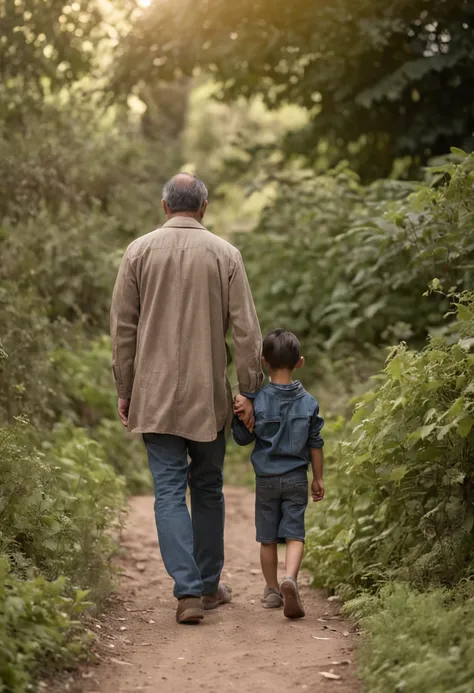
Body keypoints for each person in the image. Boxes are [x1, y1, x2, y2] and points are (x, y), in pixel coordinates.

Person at [110, 173, 263, 624]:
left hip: (153, 394)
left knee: (169, 492)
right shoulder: (225, 254)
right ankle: (210, 587)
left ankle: (188, 593)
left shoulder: (138, 252)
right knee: (209, 487)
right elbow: (247, 331)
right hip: (207, 396)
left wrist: (125, 388)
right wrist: (249, 391)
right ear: (204, 207)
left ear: (164, 207)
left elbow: (123, 329)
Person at [232, 329, 324, 619]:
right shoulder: (309, 403)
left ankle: (272, 590)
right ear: (300, 362)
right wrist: (318, 478)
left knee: (268, 538)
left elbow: (242, 438)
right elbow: (315, 444)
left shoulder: (256, 401)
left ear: (263, 361)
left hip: (267, 480)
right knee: (295, 533)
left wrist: (240, 406)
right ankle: (291, 579)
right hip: (297, 478)